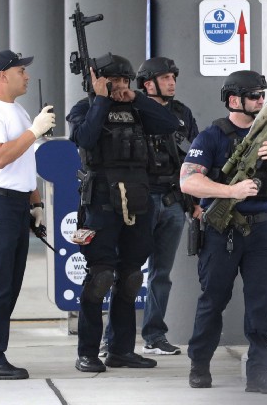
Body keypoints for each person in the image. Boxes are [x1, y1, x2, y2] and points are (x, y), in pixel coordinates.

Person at [179, 69, 267, 394]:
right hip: (222, 233)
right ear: (234, 99)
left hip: (263, 233)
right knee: (213, 300)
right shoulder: (212, 136)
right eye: (254, 96)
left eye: (263, 95)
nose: (261, 101)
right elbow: (188, 180)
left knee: (261, 304)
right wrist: (230, 192)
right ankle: (199, 365)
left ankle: (259, 374)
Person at [67, 53, 179, 373]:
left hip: (138, 200)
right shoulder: (85, 109)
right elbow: (85, 138)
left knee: (130, 277)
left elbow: (170, 123)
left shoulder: (138, 109)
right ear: (98, 81)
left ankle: (121, 350)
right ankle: (88, 352)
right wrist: (101, 100)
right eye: (114, 81)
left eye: (125, 80)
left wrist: (137, 98)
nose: (120, 86)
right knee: (100, 277)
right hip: (101, 202)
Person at [99, 56, 199, 357]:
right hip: (139, 200)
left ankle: (154, 335)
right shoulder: (132, 109)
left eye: (173, 77)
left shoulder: (182, 113)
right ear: (148, 83)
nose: (172, 82)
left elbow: (194, 159)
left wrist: (195, 202)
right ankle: (111, 338)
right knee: (125, 271)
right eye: (166, 77)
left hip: (173, 200)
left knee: (161, 273)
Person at [0, 49, 56, 380]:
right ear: (2, 76)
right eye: (21, 70)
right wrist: (33, 132)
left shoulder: (16, 110)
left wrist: (35, 201)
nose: (27, 76)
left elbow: (24, 162)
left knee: (8, 282)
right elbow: (0, 158)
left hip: (14, 204)